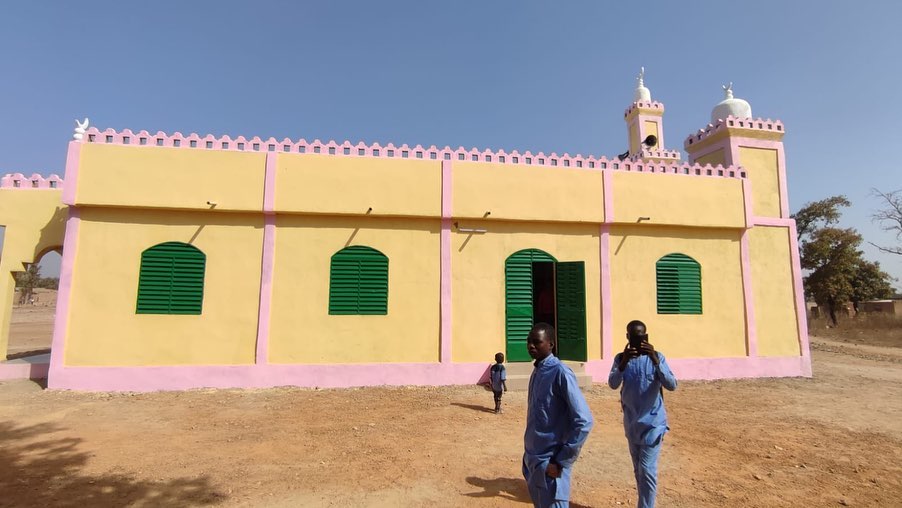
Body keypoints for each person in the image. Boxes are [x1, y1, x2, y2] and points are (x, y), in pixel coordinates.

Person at [523, 323, 594, 508]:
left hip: (551, 465)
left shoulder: (560, 372)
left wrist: (561, 461)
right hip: (534, 462)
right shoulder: (537, 371)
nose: (531, 345)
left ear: (551, 344)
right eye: (529, 341)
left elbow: (584, 421)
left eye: (537, 342)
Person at [608, 320, 677, 508]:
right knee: (639, 470)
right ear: (627, 337)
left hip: (653, 424)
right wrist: (623, 363)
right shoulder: (620, 359)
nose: (638, 341)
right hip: (632, 424)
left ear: (646, 337)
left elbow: (672, 385)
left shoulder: (657, 357)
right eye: (634, 337)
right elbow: (613, 384)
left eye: (642, 337)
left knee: (647, 470)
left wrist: (655, 360)